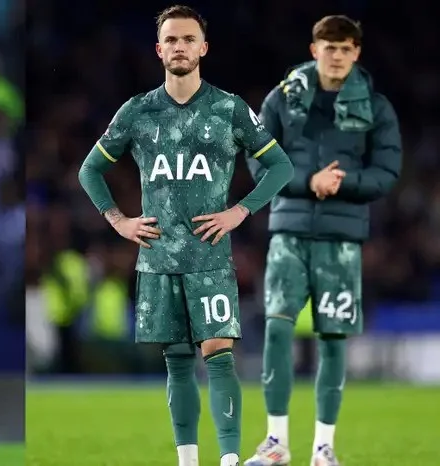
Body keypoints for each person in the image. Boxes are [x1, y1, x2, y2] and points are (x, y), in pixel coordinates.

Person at [78, 6, 294, 466]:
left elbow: (281, 166)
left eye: (188, 39)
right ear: (159, 50)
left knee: (218, 355)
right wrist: (119, 220)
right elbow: (90, 169)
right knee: (177, 361)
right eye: (171, 40)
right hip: (157, 257)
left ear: (203, 48)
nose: (179, 46)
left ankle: (231, 459)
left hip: (211, 256)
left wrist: (240, 211)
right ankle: (188, 460)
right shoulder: (137, 111)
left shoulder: (229, 108)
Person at [243, 15, 401, 466]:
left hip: (341, 239)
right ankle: (276, 443)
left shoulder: (376, 107)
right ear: (314, 50)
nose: (336, 56)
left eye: (345, 48)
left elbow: (387, 172)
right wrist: (305, 182)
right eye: (329, 48)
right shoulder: (282, 98)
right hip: (288, 233)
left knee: (333, 337)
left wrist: (343, 182)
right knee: (276, 327)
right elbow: (257, 162)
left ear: (357, 54)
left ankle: (323, 448)